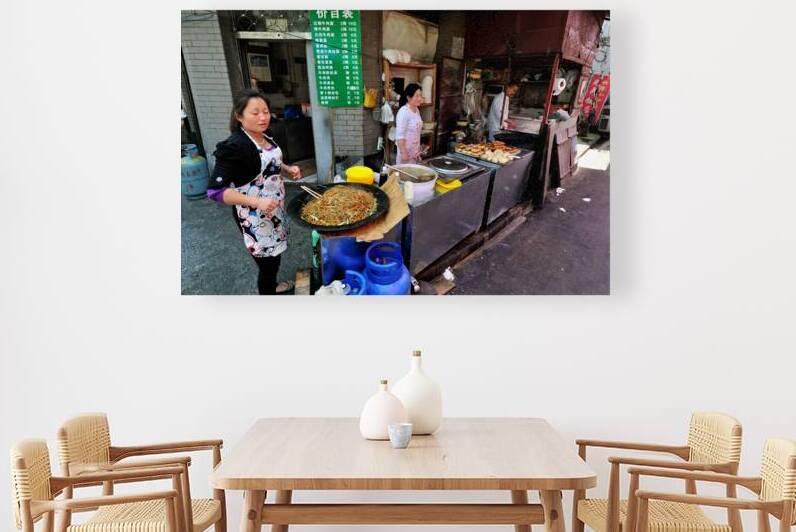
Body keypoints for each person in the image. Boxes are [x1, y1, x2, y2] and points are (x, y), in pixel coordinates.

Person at [206, 89, 302, 295]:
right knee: (267, 265)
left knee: (274, 256)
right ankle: (267, 292)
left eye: (265, 111)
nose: (263, 117)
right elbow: (215, 191)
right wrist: (257, 202)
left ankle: (272, 286)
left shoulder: (266, 135)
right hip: (254, 217)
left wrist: (287, 168)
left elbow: (271, 161)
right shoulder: (235, 146)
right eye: (255, 112)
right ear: (239, 116)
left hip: (274, 208)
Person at [395, 83, 424, 164]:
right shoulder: (403, 112)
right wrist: (403, 153)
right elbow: (400, 135)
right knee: (405, 172)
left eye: (420, 95)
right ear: (408, 98)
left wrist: (418, 149)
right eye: (417, 96)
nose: (420, 98)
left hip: (414, 152)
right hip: (405, 154)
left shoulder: (416, 110)